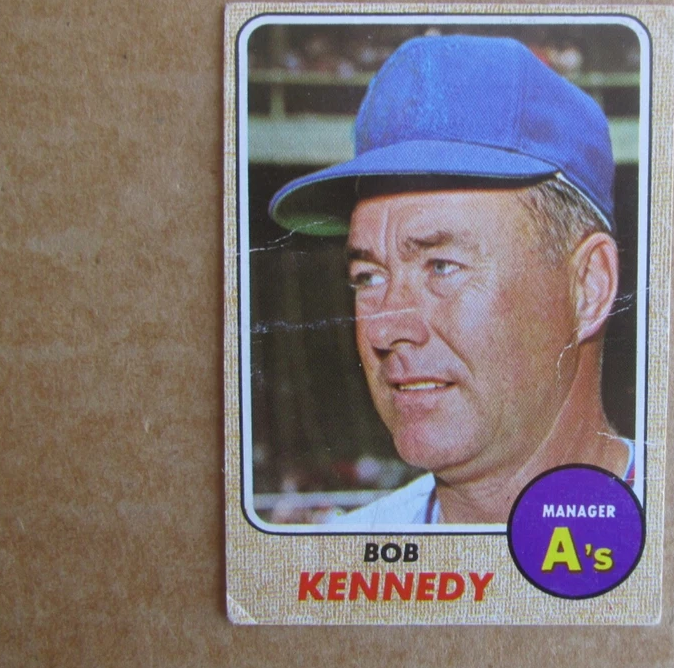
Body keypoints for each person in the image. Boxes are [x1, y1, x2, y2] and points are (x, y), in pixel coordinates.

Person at [268, 34, 635, 525]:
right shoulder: (342, 551)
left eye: (441, 266)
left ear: (589, 286)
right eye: (368, 276)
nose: (384, 329)